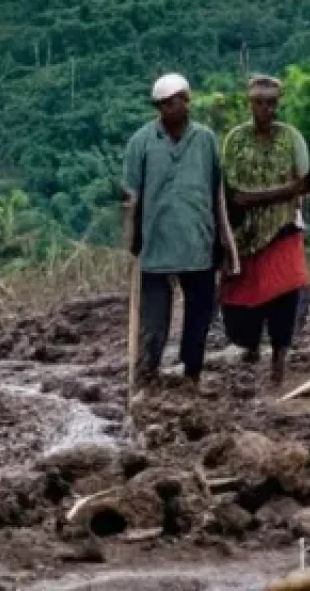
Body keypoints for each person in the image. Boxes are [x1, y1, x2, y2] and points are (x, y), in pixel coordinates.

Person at [122, 73, 235, 389]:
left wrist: (225, 241)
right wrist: (131, 239)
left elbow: (216, 192)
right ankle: (147, 374)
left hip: (198, 242)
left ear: (188, 100)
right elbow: (131, 197)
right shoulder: (141, 142)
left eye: (180, 101)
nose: (176, 108)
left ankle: (192, 374)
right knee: (154, 319)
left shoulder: (206, 139)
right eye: (167, 104)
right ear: (159, 107)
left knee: (199, 316)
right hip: (156, 244)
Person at [219, 76, 310, 385]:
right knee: (239, 304)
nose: (266, 109)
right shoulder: (235, 139)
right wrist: (281, 192)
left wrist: (259, 198)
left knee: (285, 295)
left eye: (271, 103)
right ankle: (250, 345)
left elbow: (303, 183)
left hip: (282, 228)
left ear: (278, 104)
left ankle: (279, 360)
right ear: (250, 104)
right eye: (260, 103)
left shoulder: (291, 138)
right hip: (244, 236)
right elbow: (232, 192)